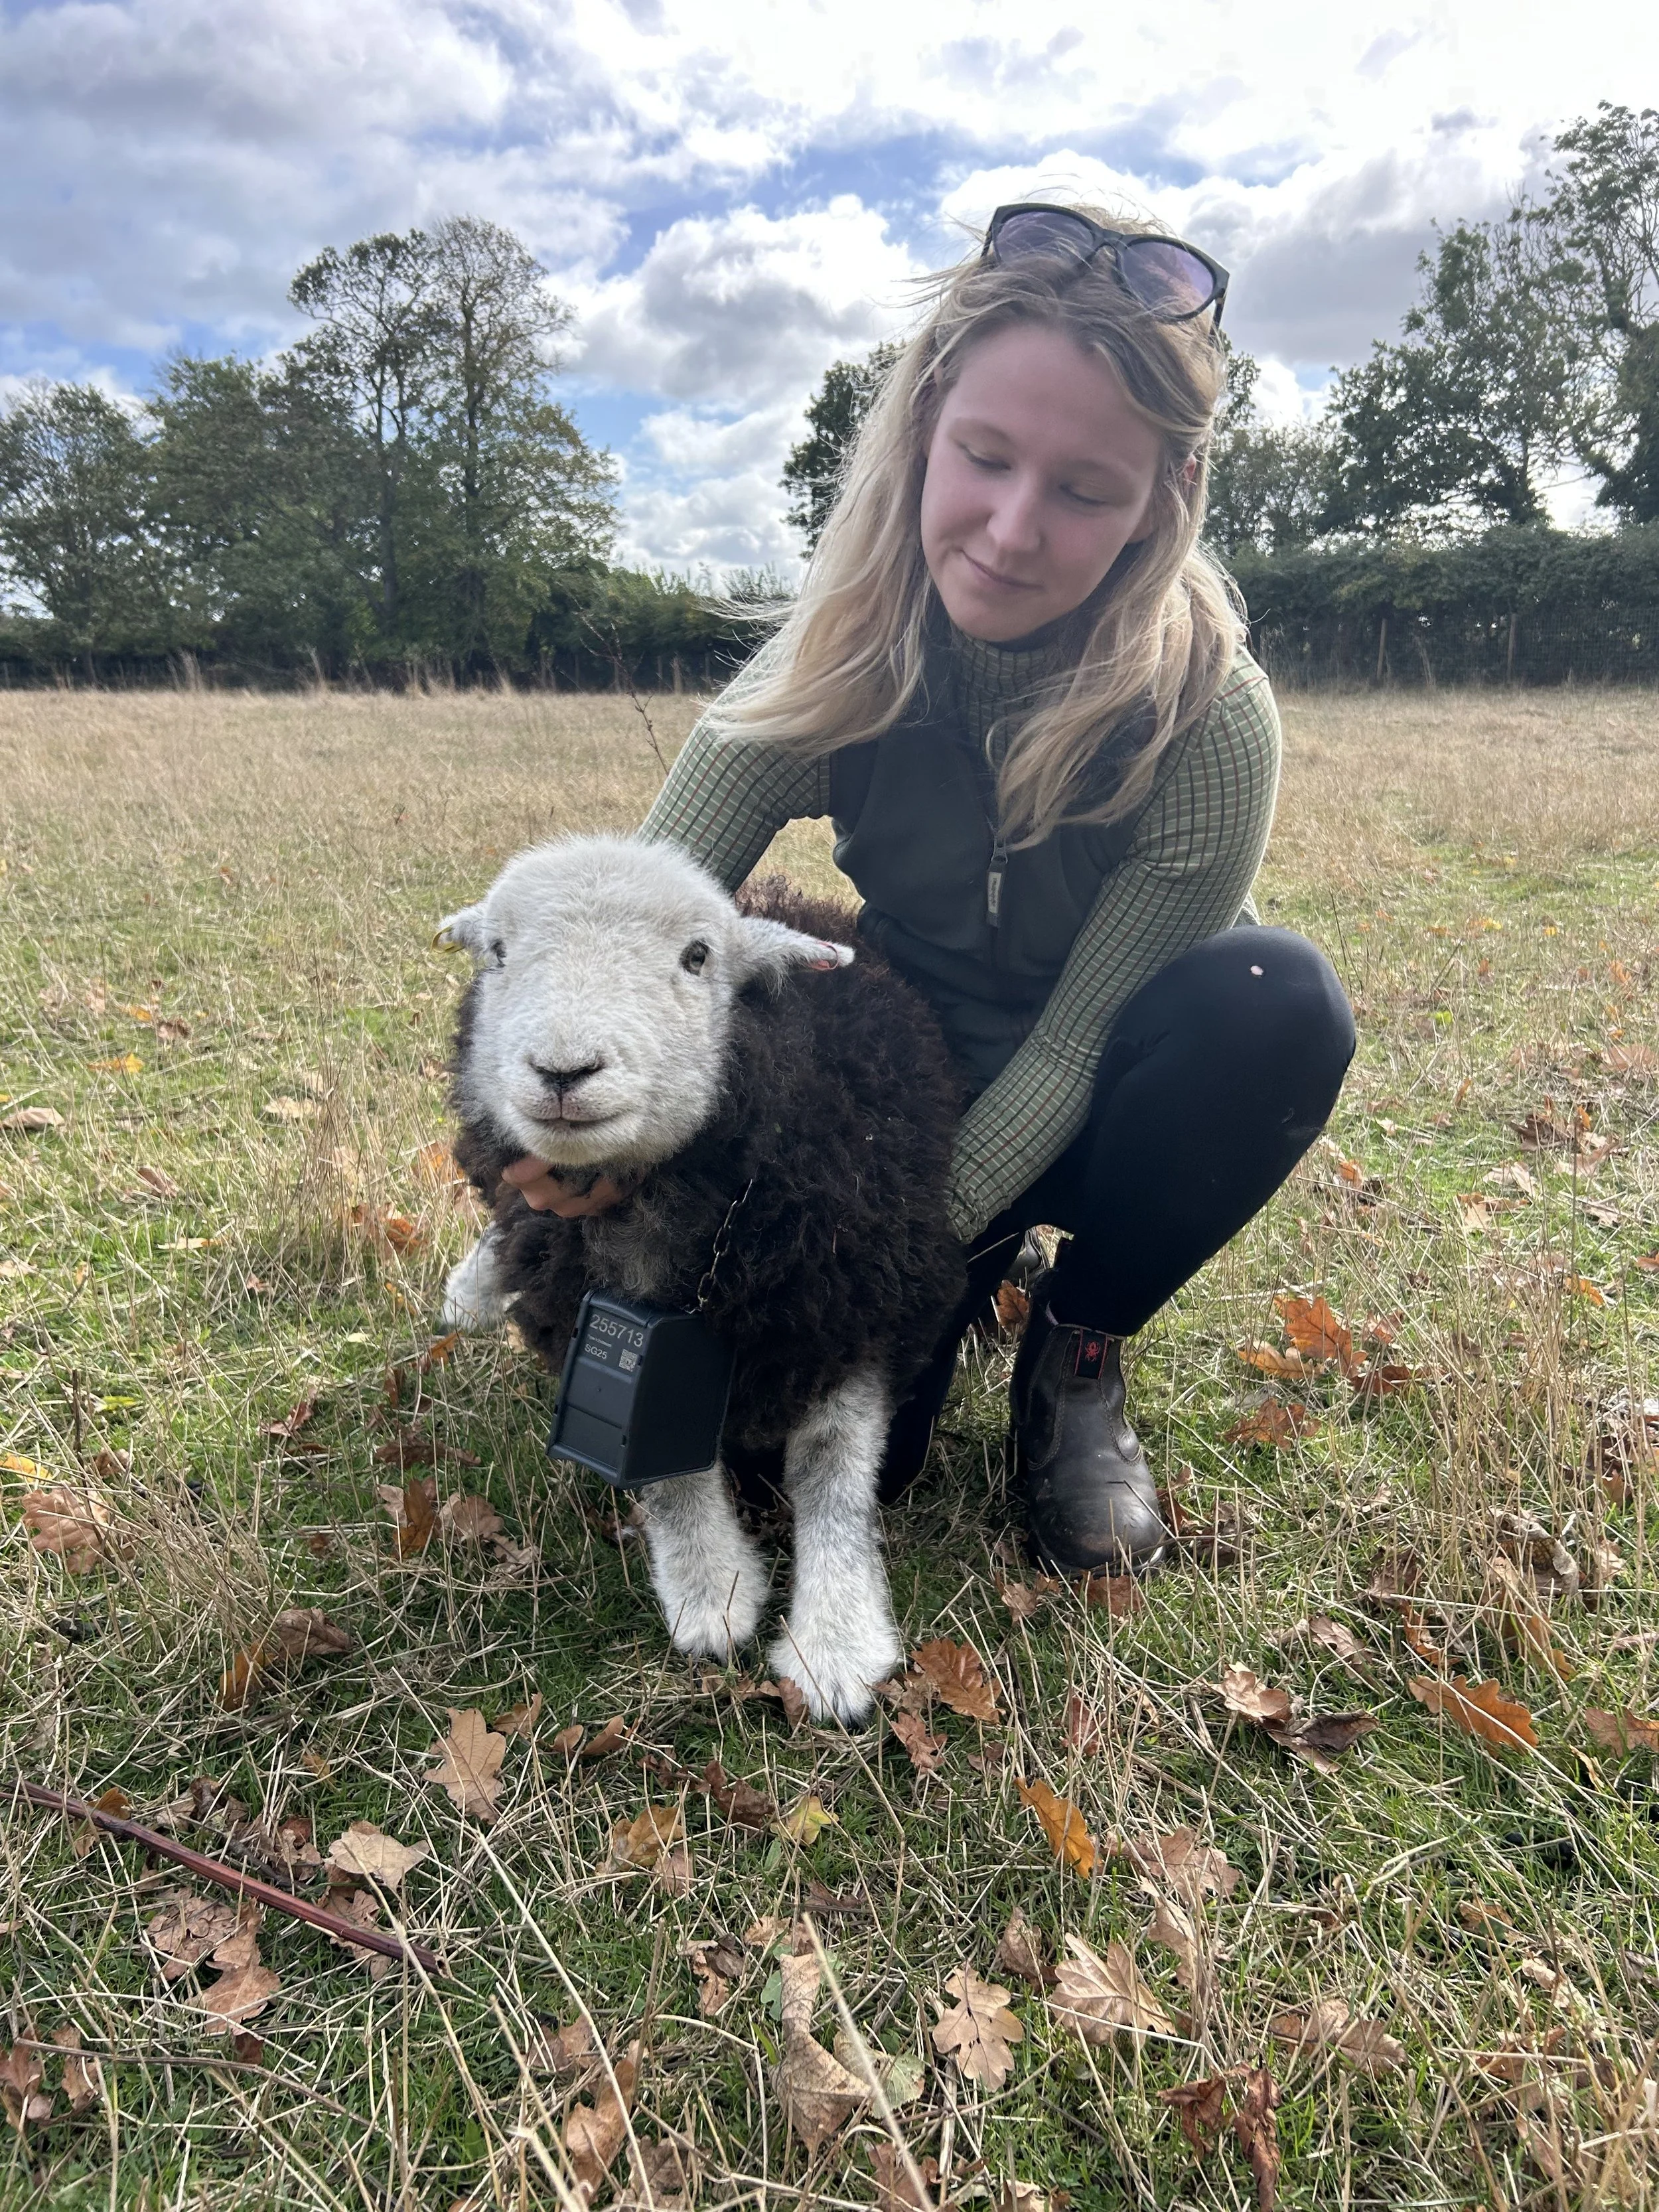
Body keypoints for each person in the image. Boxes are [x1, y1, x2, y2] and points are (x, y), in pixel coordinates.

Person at [501, 200, 1356, 1576]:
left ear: (1164, 495)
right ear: (922, 430)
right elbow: (633, 920)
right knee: (821, 1465)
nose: (1013, 530)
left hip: (1110, 1089)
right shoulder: (844, 652)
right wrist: (576, 1137)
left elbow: (1076, 1044)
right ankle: (947, 1294)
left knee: (1275, 1002)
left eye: (1083, 490)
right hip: (899, 1085)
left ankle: (1076, 1345)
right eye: (985, 458)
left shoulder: (1207, 718)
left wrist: (861, 1257)